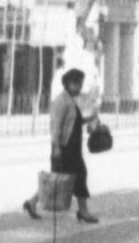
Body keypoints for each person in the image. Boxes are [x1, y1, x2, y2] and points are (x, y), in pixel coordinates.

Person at [23, 68, 100, 223]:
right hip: (65, 148)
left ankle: (32, 203)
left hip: (72, 147)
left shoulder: (70, 100)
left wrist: (91, 117)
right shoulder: (61, 101)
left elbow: (73, 123)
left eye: (80, 84)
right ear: (67, 84)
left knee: (60, 179)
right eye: (76, 84)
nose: (78, 87)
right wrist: (57, 148)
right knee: (67, 178)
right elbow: (56, 126)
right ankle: (83, 211)